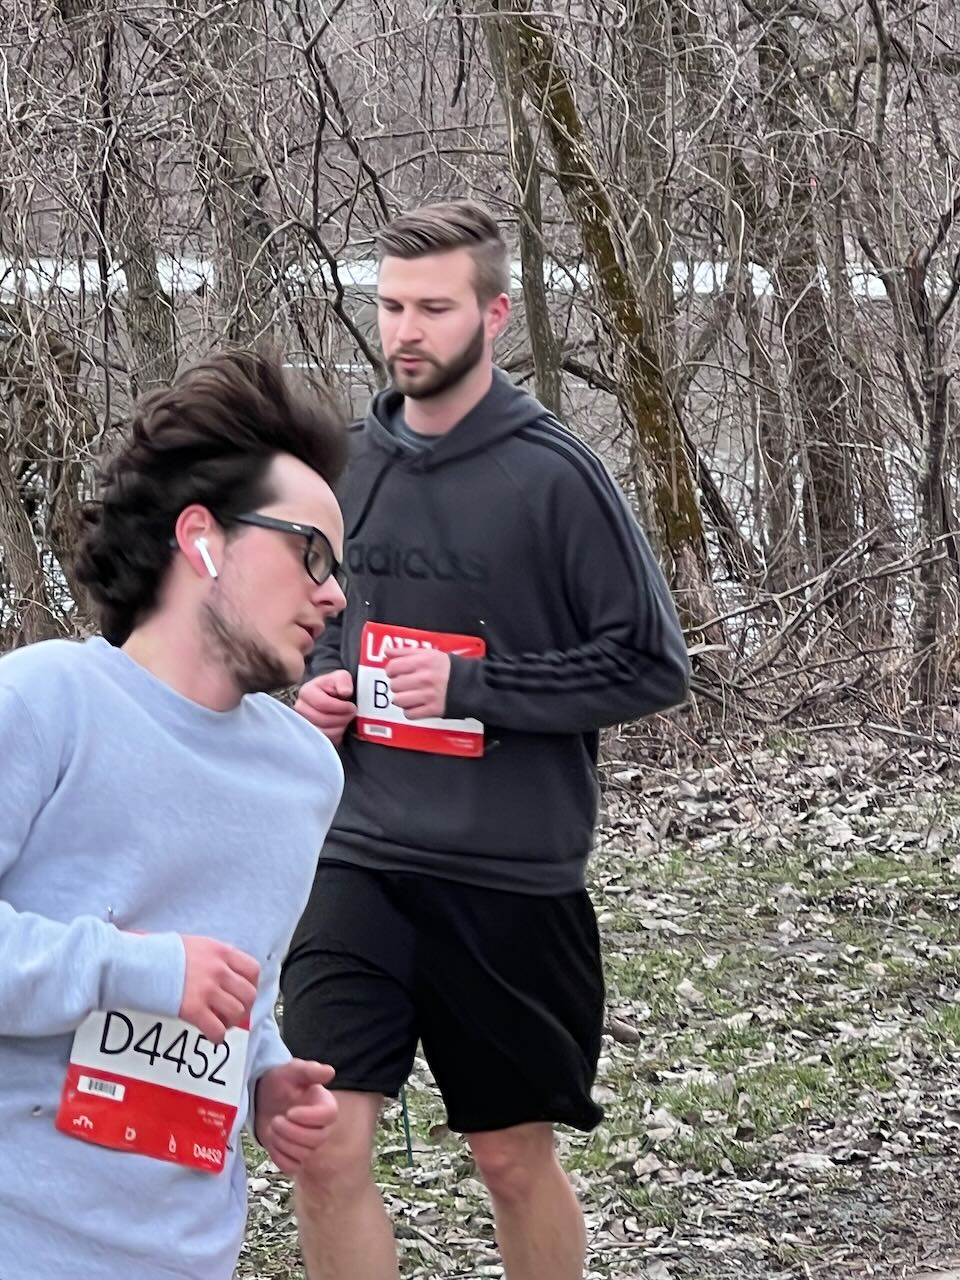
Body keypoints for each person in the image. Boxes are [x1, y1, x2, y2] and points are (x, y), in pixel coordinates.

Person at [281, 200, 690, 1280]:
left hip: (508, 873)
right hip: (357, 854)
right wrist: (318, 686)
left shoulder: (555, 475)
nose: (405, 330)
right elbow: (313, 620)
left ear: (495, 315)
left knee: (510, 1158)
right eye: (390, 306)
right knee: (322, 1143)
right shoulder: (346, 466)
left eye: (433, 308)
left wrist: (474, 686)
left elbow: (651, 664)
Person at [0, 350, 349, 1279]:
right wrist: (139, 970)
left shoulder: (305, 774)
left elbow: (236, 992)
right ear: (202, 539)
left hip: (187, 1255)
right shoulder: (44, 701)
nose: (334, 593)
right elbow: (170, 972)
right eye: (311, 553)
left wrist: (265, 1078)